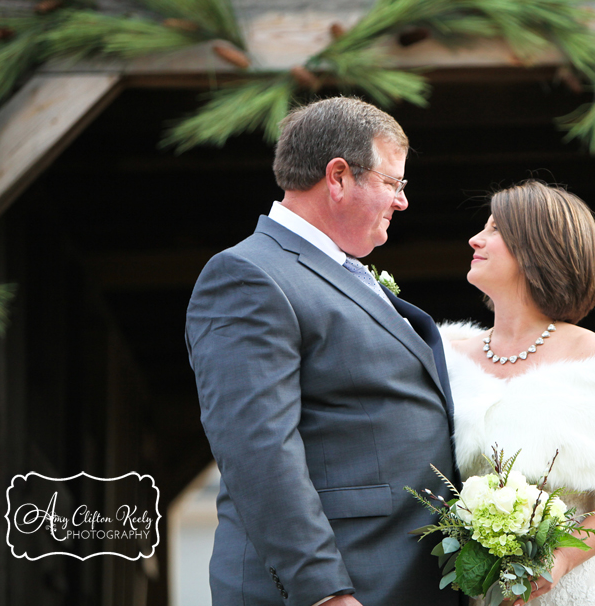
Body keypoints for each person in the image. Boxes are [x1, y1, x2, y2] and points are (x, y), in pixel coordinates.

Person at [186, 97, 458, 606]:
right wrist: (323, 592)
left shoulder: (338, 270)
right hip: (341, 585)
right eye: (393, 183)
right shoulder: (248, 276)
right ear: (337, 177)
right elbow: (258, 448)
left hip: (395, 577)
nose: (402, 202)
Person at [441, 180, 595, 606]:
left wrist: (559, 559)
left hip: (566, 587)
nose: (476, 238)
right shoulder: (450, 356)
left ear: (535, 249)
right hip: (471, 590)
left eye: (494, 229)